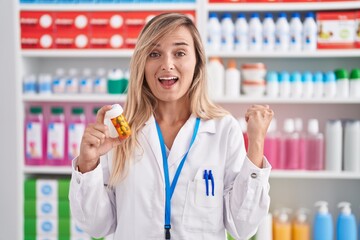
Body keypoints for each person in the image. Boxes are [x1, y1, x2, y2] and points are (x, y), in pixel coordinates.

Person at [69, 12, 273, 240]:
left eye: (180, 53)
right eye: (154, 54)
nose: (167, 64)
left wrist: (256, 143)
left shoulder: (223, 129)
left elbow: (242, 227)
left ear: (197, 62)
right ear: (142, 64)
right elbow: (96, 226)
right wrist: (88, 165)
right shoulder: (120, 131)